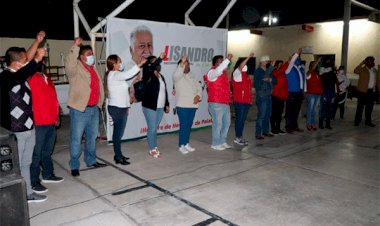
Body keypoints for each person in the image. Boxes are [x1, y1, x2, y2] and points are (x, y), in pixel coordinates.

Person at [0, 31, 47, 203]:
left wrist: (37, 41)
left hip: (28, 127)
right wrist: (36, 60)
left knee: (26, 162)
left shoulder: (20, 74)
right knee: (16, 164)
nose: (27, 59)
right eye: (24, 59)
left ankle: (27, 194)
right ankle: (17, 197)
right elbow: (20, 74)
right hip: (15, 129)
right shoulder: (6, 77)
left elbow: (25, 65)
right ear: (15, 62)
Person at [64, 37, 106, 177]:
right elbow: (69, 66)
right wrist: (75, 47)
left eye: (91, 54)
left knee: (92, 137)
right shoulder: (76, 69)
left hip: (94, 109)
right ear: (81, 57)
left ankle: (91, 160)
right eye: (88, 55)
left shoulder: (93, 69)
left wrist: (101, 101)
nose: (91, 57)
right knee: (76, 139)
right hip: (80, 109)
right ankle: (74, 165)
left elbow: (98, 86)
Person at [28, 57, 64, 194]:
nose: (42, 64)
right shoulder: (30, 79)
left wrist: (57, 116)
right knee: (36, 153)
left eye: (43, 62)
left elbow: (54, 98)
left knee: (47, 151)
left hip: (51, 121)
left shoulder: (47, 78)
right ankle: (34, 181)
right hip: (38, 121)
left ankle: (48, 174)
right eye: (39, 62)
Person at [104, 54, 146, 164]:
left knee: (119, 133)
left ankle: (118, 154)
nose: (121, 64)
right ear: (114, 64)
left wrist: (127, 106)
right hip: (117, 108)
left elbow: (124, 92)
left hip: (121, 107)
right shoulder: (114, 75)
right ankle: (118, 156)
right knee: (117, 134)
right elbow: (128, 74)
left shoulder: (117, 76)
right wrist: (140, 64)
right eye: (119, 62)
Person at [141, 53, 169, 158]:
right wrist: (160, 58)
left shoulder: (161, 76)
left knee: (154, 128)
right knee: (152, 128)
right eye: (154, 61)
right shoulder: (147, 73)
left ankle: (154, 146)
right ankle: (152, 149)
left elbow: (164, 91)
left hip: (160, 107)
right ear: (149, 64)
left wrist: (167, 104)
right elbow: (150, 68)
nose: (157, 63)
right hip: (150, 106)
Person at [172, 55, 202, 154]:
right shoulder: (178, 76)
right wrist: (182, 63)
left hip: (193, 105)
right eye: (185, 64)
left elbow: (199, 87)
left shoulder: (192, 75)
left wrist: (198, 96)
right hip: (183, 106)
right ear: (180, 65)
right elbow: (176, 75)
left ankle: (186, 143)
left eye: (188, 63)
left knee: (188, 126)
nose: (187, 65)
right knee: (184, 126)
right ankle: (181, 145)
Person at [204, 54, 233, 151]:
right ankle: (215, 143)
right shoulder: (212, 72)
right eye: (221, 61)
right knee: (218, 123)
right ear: (216, 63)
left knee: (227, 123)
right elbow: (218, 71)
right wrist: (227, 60)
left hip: (225, 102)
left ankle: (222, 141)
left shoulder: (223, 74)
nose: (224, 63)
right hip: (216, 103)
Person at [231, 53, 254, 145]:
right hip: (240, 102)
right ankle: (238, 137)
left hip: (246, 102)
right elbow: (241, 67)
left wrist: (250, 100)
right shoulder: (237, 73)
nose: (246, 66)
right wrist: (248, 57)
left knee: (242, 120)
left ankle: (240, 136)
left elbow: (248, 90)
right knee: (240, 120)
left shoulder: (246, 76)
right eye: (245, 64)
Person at [128, 25, 154, 103]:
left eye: (149, 45)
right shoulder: (126, 73)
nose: (147, 50)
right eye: (142, 46)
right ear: (131, 50)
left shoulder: (152, 69)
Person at [254, 55, 277, 139]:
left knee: (268, 114)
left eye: (268, 61)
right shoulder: (258, 71)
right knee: (262, 114)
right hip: (262, 95)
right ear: (261, 62)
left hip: (268, 95)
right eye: (267, 61)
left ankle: (265, 131)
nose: (268, 63)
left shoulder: (268, 71)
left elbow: (275, 80)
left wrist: (270, 79)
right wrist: (271, 68)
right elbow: (262, 77)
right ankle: (258, 133)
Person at [354, 56, 379, 127]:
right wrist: (361, 63)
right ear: (366, 62)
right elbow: (355, 71)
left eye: (373, 61)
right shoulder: (362, 69)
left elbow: (377, 81)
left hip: (371, 91)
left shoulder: (375, 71)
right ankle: (357, 121)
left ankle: (368, 121)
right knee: (360, 107)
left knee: (369, 107)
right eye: (370, 61)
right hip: (362, 91)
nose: (372, 62)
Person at [285, 48, 305, 133]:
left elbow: (302, 80)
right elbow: (292, 61)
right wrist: (297, 53)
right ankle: (289, 127)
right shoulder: (289, 68)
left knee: (296, 111)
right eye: (297, 58)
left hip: (298, 92)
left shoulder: (298, 68)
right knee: (290, 111)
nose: (298, 59)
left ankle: (294, 125)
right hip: (292, 93)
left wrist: (302, 91)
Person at [270, 59, 288, 135]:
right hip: (275, 96)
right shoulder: (274, 72)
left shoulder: (283, 74)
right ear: (276, 66)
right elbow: (280, 71)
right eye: (280, 65)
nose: (281, 66)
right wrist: (287, 63)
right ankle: (273, 129)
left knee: (279, 114)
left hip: (282, 96)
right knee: (274, 113)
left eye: (282, 65)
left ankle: (278, 128)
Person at [319, 58, 337, 130]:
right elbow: (321, 72)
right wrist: (331, 68)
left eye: (330, 61)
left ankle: (328, 124)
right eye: (328, 60)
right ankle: (321, 124)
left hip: (331, 91)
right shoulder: (322, 69)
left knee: (329, 109)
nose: (329, 62)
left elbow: (334, 82)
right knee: (323, 108)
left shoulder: (332, 71)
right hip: (325, 91)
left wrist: (334, 92)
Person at [305, 58, 323, 130]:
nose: (316, 66)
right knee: (310, 109)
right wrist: (317, 61)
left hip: (317, 94)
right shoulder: (308, 73)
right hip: (311, 94)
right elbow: (312, 69)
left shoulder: (317, 74)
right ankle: (308, 123)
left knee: (314, 110)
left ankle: (313, 123)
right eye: (314, 65)